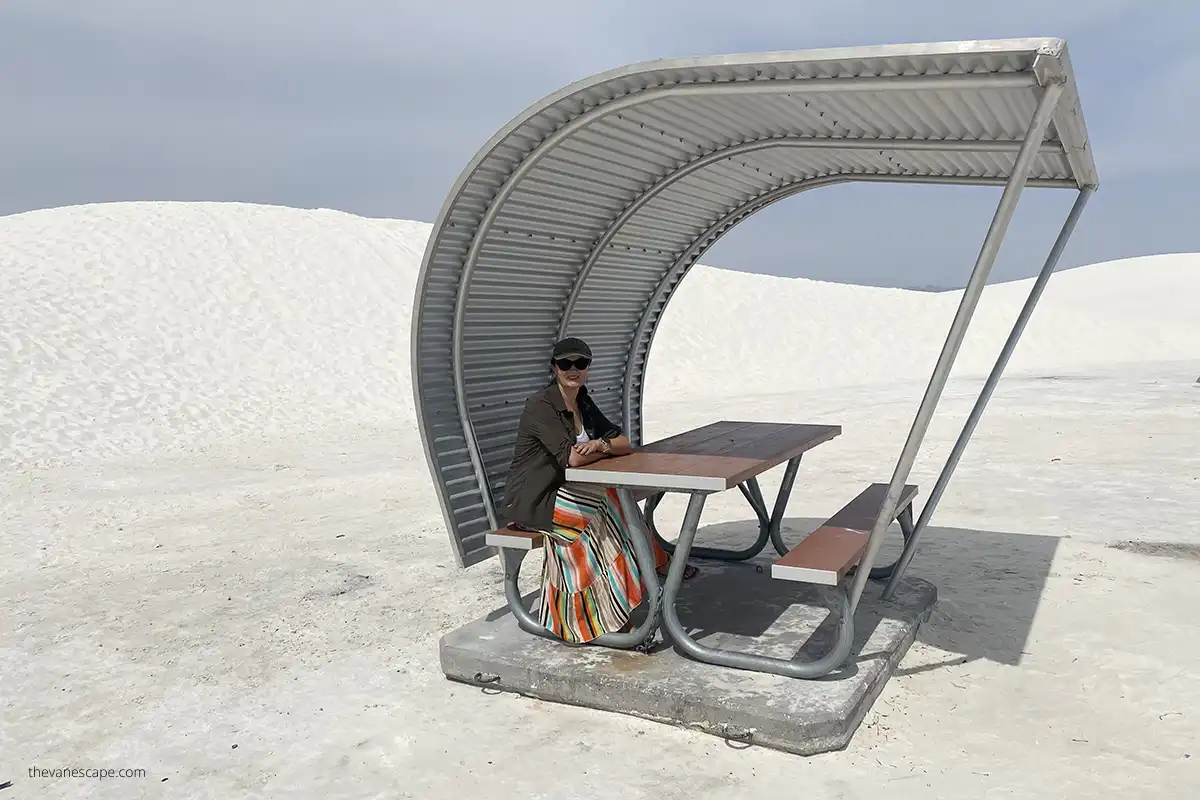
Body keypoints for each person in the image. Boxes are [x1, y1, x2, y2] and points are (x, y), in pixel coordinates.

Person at [501, 336, 697, 644]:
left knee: (617, 499)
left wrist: (601, 444)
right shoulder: (541, 406)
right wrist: (600, 449)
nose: (573, 369)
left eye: (580, 363)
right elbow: (572, 457)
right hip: (537, 499)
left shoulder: (582, 400)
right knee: (606, 511)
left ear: (588, 368)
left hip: (568, 490)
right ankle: (614, 612)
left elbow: (622, 442)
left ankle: (645, 574)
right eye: (565, 364)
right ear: (554, 367)